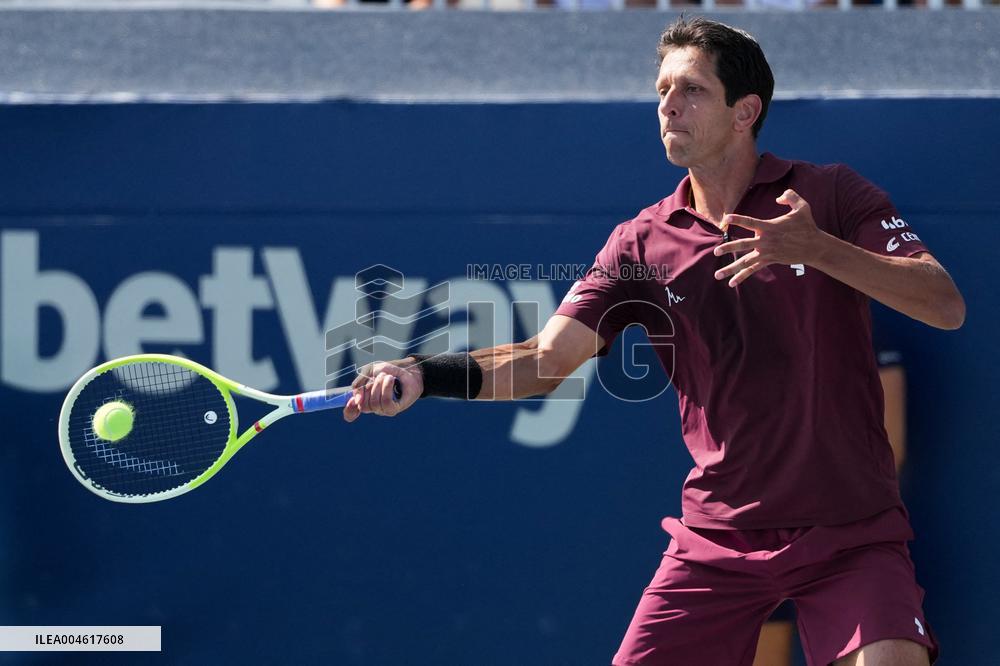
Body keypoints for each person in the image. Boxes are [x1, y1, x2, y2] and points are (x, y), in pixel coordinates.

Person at [342, 16, 965, 666]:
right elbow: (545, 360)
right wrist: (423, 372)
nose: (667, 103)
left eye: (691, 89)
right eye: (662, 89)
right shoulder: (640, 245)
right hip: (718, 539)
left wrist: (816, 248)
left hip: (850, 532)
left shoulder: (830, 195)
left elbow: (943, 303)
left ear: (744, 111)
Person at [754, 339, 909, 666]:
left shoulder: (867, 335)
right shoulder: (742, 334)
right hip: (759, 535)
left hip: (848, 539)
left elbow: (889, 447)